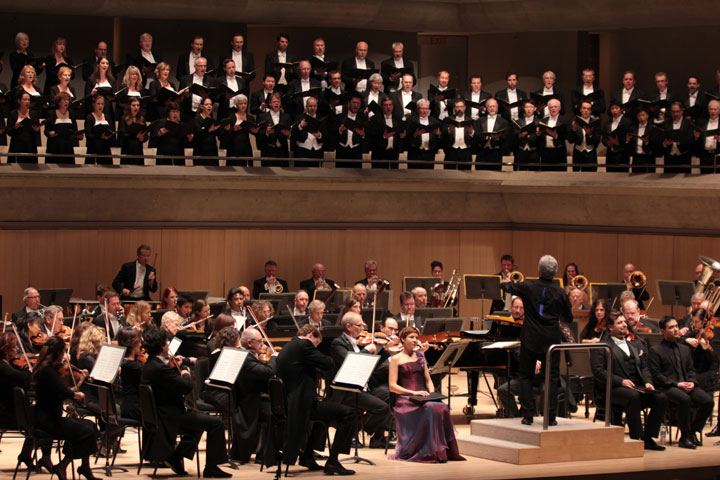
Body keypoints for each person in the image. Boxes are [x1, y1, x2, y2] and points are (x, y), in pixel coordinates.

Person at [141, 327, 231, 477]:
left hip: (162, 413)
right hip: (169, 416)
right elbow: (186, 386)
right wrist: (185, 371)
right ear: (162, 345)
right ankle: (211, 467)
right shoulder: (160, 369)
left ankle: (175, 457)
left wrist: (176, 368)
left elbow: (169, 383)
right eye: (166, 342)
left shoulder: (151, 364)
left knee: (199, 421)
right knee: (216, 423)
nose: (168, 344)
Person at [500, 255, 572, 425]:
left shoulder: (528, 286)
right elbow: (568, 317)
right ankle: (551, 417)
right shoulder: (560, 292)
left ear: (538, 270)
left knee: (525, 376)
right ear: (555, 273)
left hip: (531, 338)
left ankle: (527, 416)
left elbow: (506, 286)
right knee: (552, 377)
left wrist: (506, 279)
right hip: (551, 341)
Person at [276, 324, 355, 475]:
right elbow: (328, 363)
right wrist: (316, 353)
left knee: (323, 418)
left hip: (291, 403)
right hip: (301, 405)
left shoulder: (290, 346)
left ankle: (307, 456)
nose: (314, 348)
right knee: (349, 413)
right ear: (311, 334)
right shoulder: (304, 345)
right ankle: (333, 462)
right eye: (316, 345)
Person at [590, 314, 668, 450]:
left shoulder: (635, 344)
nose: (625, 325)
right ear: (610, 327)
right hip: (612, 389)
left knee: (660, 398)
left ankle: (647, 437)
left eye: (624, 322)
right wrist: (621, 381)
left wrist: (648, 382)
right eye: (620, 323)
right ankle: (636, 438)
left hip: (636, 387)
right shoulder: (602, 346)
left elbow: (644, 367)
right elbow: (599, 372)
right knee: (633, 397)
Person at [389, 326, 465, 462]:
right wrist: (414, 392)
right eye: (411, 337)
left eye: (416, 337)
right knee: (430, 408)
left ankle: (444, 451)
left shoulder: (420, 356)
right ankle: (429, 451)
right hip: (406, 399)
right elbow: (392, 386)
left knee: (442, 407)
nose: (415, 340)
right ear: (402, 339)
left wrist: (431, 394)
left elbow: (428, 380)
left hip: (422, 395)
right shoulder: (396, 359)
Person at [33, 336, 99, 480]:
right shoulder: (48, 372)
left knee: (90, 426)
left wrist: (80, 382)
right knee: (86, 431)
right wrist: (78, 395)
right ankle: (63, 465)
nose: (64, 357)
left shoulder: (47, 370)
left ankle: (85, 467)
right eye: (63, 352)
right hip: (48, 421)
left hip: (48, 417)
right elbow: (67, 393)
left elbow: (64, 391)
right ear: (58, 353)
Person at [649, 316, 714, 449]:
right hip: (668, 387)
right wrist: (676, 384)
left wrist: (692, 382)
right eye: (671, 327)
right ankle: (684, 438)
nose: (675, 329)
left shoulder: (685, 349)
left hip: (686, 384)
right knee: (684, 399)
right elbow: (656, 375)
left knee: (708, 401)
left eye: (676, 326)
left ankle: (692, 432)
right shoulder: (656, 351)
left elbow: (691, 370)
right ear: (663, 331)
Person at [220, 94, 259, 166]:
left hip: (246, 146)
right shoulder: (231, 117)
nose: (243, 105)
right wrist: (232, 129)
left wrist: (255, 132)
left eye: (245, 103)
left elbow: (254, 131)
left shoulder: (250, 118)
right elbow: (225, 133)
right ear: (236, 105)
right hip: (233, 146)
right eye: (241, 103)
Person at [44, 91, 81, 164]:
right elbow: (46, 130)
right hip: (55, 145)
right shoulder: (51, 113)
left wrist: (79, 136)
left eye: (67, 100)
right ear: (59, 102)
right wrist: (50, 133)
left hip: (68, 146)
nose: (66, 102)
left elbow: (74, 129)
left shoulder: (71, 113)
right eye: (64, 100)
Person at [256, 92, 292, 166]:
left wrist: (289, 134)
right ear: (270, 103)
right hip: (268, 150)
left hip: (283, 151)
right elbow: (258, 133)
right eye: (274, 102)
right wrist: (266, 132)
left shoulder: (286, 117)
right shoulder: (262, 117)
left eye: (278, 102)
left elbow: (291, 133)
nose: (276, 104)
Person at [368, 97, 405, 169]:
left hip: (394, 153)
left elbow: (400, 135)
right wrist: (384, 136)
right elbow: (371, 136)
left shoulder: (398, 119)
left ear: (393, 106)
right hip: (379, 153)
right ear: (382, 106)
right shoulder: (375, 119)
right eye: (386, 105)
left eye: (390, 105)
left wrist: (402, 136)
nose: (388, 107)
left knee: (394, 176)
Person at [116, 327, 144, 421]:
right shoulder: (132, 366)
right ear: (132, 344)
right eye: (139, 341)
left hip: (127, 406)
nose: (141, 344)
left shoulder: (124, 362)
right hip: (134, 408)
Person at [475, 97, 510, 171]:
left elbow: (506, 138)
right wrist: (486, 137)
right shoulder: (479, 121)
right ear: (486, 108)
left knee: (495, 176)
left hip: (496, 153)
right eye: (490, 106)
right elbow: (477, 135)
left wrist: (498, 138)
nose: (492, 108)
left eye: (494, 106)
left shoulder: (504, 122)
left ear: (497, 107)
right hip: (482, 152)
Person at [405, 99, 441, 169]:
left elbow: (439, 139)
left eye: (426, 108)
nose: (425, 111)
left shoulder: (434, 121)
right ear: (418, 109)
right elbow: (406, 138)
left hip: (429, 153)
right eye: (422, 108)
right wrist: (415, 134)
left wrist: (438, 134)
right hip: (415, 153)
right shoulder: (411, 120)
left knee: (428, 176)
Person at [335, 92, 368, 168]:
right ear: (349, 103)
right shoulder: (340, 115)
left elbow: (367, 135)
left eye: (358, 103)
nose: (356, 105)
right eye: (354, 103)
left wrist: (362, 134)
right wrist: (340, 130)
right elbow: (333, 131)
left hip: (356, 151)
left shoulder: (363, 116)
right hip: (341, 151)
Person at [7, 90, 41, 163]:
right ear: (19, 101)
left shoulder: (33, 113)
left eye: (28, 100)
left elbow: (36, 130)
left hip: (30, 145)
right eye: (25, 100)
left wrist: (36, 130)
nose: (27, 102)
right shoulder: (13, 113)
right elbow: (9, 132)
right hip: (17, 145)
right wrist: (15, 127)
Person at [661, 101, 695, 174]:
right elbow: (662, 138)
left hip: (684, 156)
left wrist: (681, 141)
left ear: (682, 111)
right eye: (673, 112)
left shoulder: (688, 123)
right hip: (669, 158)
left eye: (677, 112)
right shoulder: (666, 123)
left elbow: (691, 140)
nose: (675, 114)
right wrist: (665, 144)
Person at [441, 98, 474, 170]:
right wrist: (449, 130)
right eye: (457, 107)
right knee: (449, 174)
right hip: (451, 151)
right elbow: (442, 137)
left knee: (466, 175)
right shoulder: (448, 120)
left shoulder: (471, 121)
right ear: (454, 108)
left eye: (461, 107)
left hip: (466, 151)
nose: (459, 109)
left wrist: (471, 132)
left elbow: (476, 138)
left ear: (464, 108)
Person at [179, 56, 215, 121]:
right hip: (189, 114)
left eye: (205, 66)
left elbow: (215, 97)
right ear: (195, 66)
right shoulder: (185, 79)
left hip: (205, 114)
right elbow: (179, 97)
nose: (203, 68)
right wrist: (186, 96)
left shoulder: (211, 80)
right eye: (200, 66)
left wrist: (207, 97)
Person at [568, 100, 600, 172]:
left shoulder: (595, 123)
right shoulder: (574, 121)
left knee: (590, 179)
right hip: (578, 154)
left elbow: (597, 141)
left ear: (591, 111)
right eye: (584, 108)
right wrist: (573, 129)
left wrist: (590, 134)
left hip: (590, 154)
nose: (586, 111)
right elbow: (570, 140)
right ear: (580, 110)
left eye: (588, 109)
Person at [537, 98, 568, 171]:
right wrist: (538, 134)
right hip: (546, 152)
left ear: (559, 108)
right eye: (551, 107)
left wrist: (555, 136)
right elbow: (540, 139)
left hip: (559, 152)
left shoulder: (565, 120)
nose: (553, 109)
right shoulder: (543, 121)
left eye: (555, 107)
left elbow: (567, 136)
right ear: (548, 108)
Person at [84, 94, 114, 165]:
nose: (100, 106)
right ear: (93, 104)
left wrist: (109, 136)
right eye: (98, 104)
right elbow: (88, 135)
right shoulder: (89, 117)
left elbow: (112, 131)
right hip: (93, 148)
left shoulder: (107, 117)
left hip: (105, 148)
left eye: (102, 104)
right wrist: (100, 136)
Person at [117, 96, 148, 164]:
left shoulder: (142, 119)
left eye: (138, 105)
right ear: (129, 106)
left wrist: (142, 138)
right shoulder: (123, 118)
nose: (136, 107)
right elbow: (121, 135)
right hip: (127, 149)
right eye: (133, 105)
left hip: (138, 150)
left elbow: (146, 136)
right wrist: (135, 136)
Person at [694, 99, 720, 173]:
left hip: (717, 155)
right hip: (705, 156)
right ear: (708, 110)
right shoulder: (702, 123)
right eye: (711, 109)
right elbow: (698, 142)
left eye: (715, 109)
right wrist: (696, 137)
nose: (713, 111)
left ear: (719, 111)